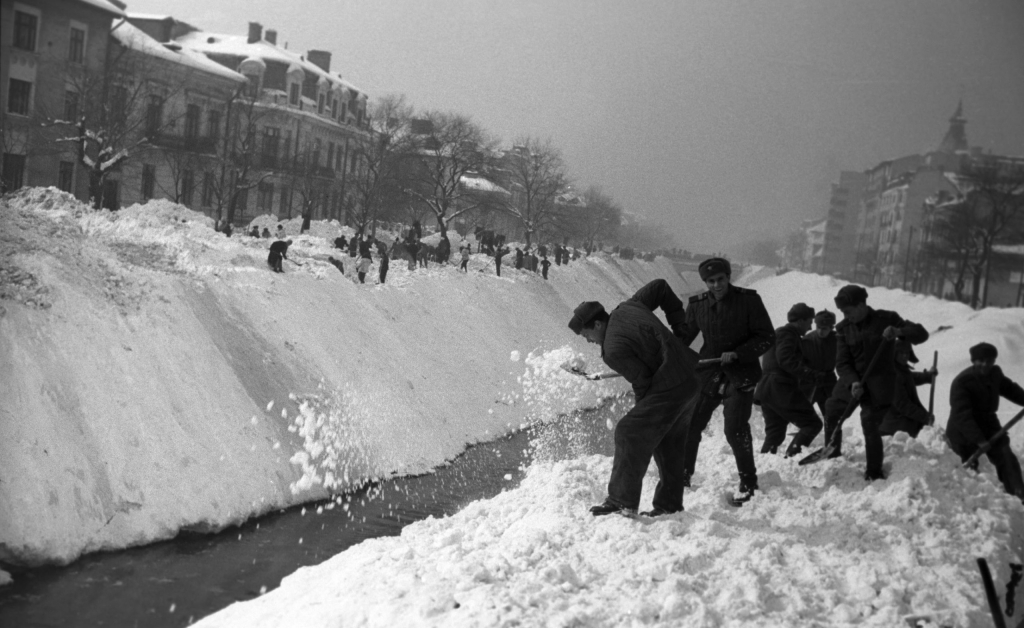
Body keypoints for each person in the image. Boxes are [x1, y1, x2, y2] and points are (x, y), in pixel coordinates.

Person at [569, 279, 699, 517]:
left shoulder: (612, 350)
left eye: (585, 335)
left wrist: (642, 413)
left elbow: (643, 383)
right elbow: (660, 287)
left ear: (597, 324)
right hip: (693, 376)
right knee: (668, 441)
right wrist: (680, 327)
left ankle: (621, 500)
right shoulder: (630, 306)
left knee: (629, 432)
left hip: (670, 385)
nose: (587, 340)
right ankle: (668, 506)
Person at [676, 257, 775, 503]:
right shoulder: (697, 305)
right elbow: (683, 339)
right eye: (711, 281)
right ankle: (682, 477)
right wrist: (665, 356)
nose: (717, 285)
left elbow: (766, 337)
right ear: (705, 282)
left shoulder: (749, 301)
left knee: (735, 429)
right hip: (708, 373)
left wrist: (739, 353)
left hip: (740, 375)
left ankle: (748, 483)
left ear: (728, 277)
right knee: (691, 426)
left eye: (721, 279)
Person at [821, 284, 929, 481]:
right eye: (842, 312)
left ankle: (874, 472)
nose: (845, 316)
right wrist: (853, 382)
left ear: (861, 305)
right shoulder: (844, 329)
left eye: (848, 311)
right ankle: (832, 454)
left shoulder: (886, 319)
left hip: (879, 384)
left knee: (869, 423)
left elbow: (921, 334)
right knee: (832, 409)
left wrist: (898, 331)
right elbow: (843, 363)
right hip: (853, 380)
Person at [946, 342, 1024, 501]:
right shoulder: (962, 382)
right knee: (968, 468)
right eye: (981, 360)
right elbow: (961, 415)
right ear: (973, 361)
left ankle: (1018, 495)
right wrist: (979, 439)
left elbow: (1009, 389)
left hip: (988, 422)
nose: (985, 364)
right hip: (963, 430)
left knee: (1005, 456)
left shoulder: (995, 373)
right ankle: (970, 504)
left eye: (990, 360)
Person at [756, 303, 826, 457]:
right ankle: (792, 458)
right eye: (809, 322)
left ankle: (765, 467)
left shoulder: (779, 334)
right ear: (800, 321)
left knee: (775, 433)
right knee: (812, 424)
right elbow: (785, 360)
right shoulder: (788, 334)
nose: (810, 327)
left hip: (766, 389)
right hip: (780, 387)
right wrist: (811, 374)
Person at [877, 341, 936, 438]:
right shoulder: (892, 374)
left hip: (900, 425)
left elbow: (910, 378)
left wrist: (927, 376)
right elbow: (902, 405)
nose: (905, 356)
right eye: (901, 353)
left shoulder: (899, 368)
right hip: (895, 431)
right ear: (894, 353)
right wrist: (925, 417)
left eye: (907, 353)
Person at [800, 310, 838, 416]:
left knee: (832, 416)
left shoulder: (838, 339)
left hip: (828, 382)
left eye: (824, 328)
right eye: (818, 327)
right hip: (809, 382)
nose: (821, 331)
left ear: (831, 328)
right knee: (803, 416)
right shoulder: (806, 341)